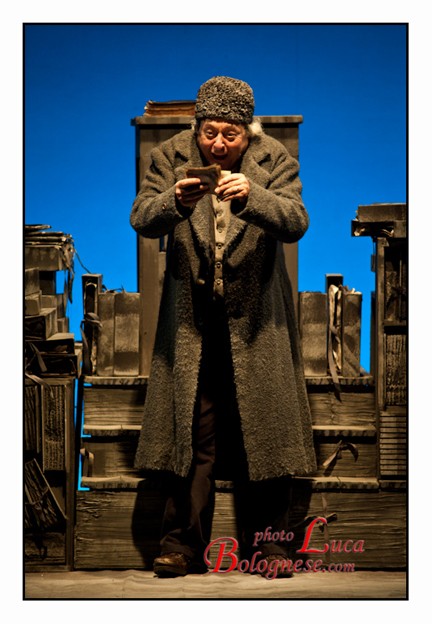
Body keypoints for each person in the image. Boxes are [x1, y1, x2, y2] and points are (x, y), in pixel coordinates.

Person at [130, 76, 317, 578]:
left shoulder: (273, 158)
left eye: (230, 135)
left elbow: (296, 220)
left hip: (257, 325)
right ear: (197, 128)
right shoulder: (170, 156)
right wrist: (176, 201)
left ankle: (272, 549)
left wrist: (254, 195)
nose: (218, 144)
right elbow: (142, 217)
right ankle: (181, 546)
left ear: (248, 133)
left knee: (265, 435)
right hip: (195, 326)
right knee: (192, 439)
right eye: (210, 132)